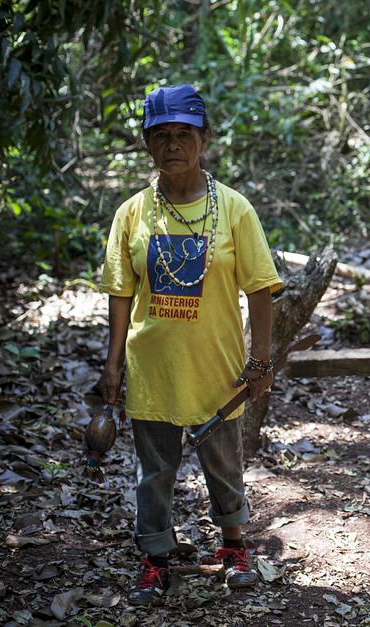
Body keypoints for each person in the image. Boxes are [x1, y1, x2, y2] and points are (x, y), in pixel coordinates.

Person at [96, 84, 283, 606]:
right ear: (147, 145)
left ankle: (234, 547)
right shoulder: (132, 213)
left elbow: (262, 289)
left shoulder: (235, 209)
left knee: (224, 464)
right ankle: (155, 558)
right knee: (153, 471)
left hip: (218, 369)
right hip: (153, 367)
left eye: (184, 134)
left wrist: (260, 360)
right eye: (161, 135)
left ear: (204, 139)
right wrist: (112, 366)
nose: (173, 145)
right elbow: (119, 293)